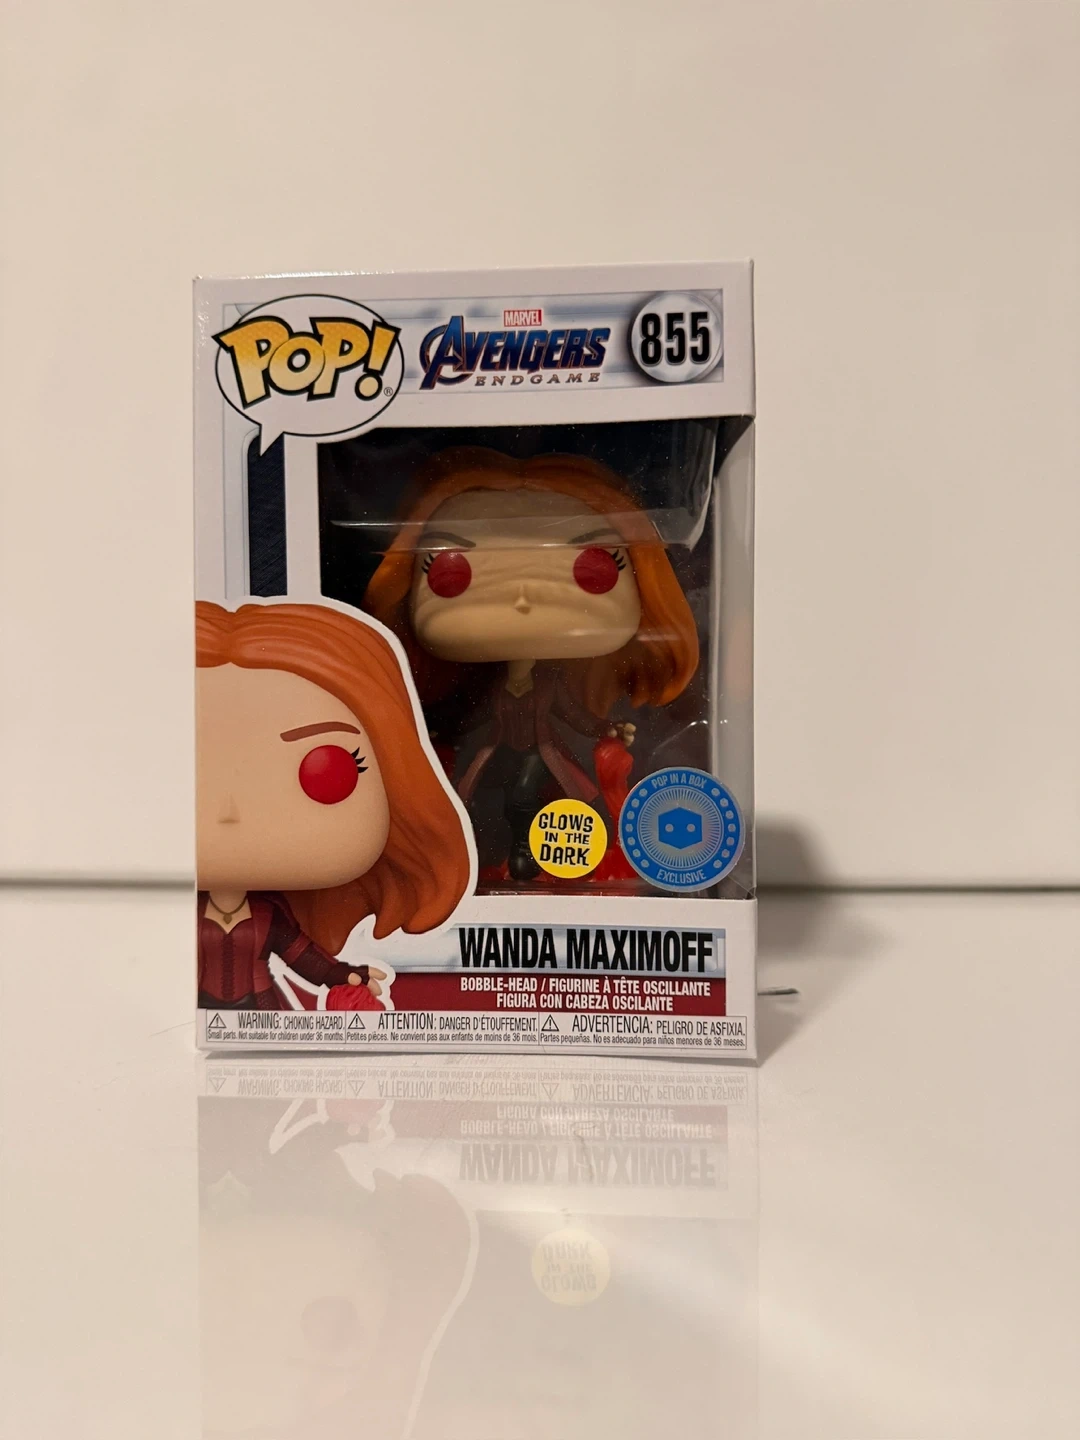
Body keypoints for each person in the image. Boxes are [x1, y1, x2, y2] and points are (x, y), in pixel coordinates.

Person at [365, 449, 699, 881]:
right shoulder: (483, 688)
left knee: (525, 792)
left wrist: (606, 730)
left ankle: (526, 850)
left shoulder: (552, 681)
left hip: (543, 753)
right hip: (494, 750)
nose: (522, 597)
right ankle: (479, 853)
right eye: (449, 571)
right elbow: (470, 718)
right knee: (475, 794)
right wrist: (436, 733)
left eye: (593, 568)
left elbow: (570, 713)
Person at [196, 600, 472, 1009]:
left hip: (262, 1013)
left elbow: (303, 956)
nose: (229, 811)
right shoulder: (176, 917)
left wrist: (346, 975)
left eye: (326, 770)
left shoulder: (270, 916)